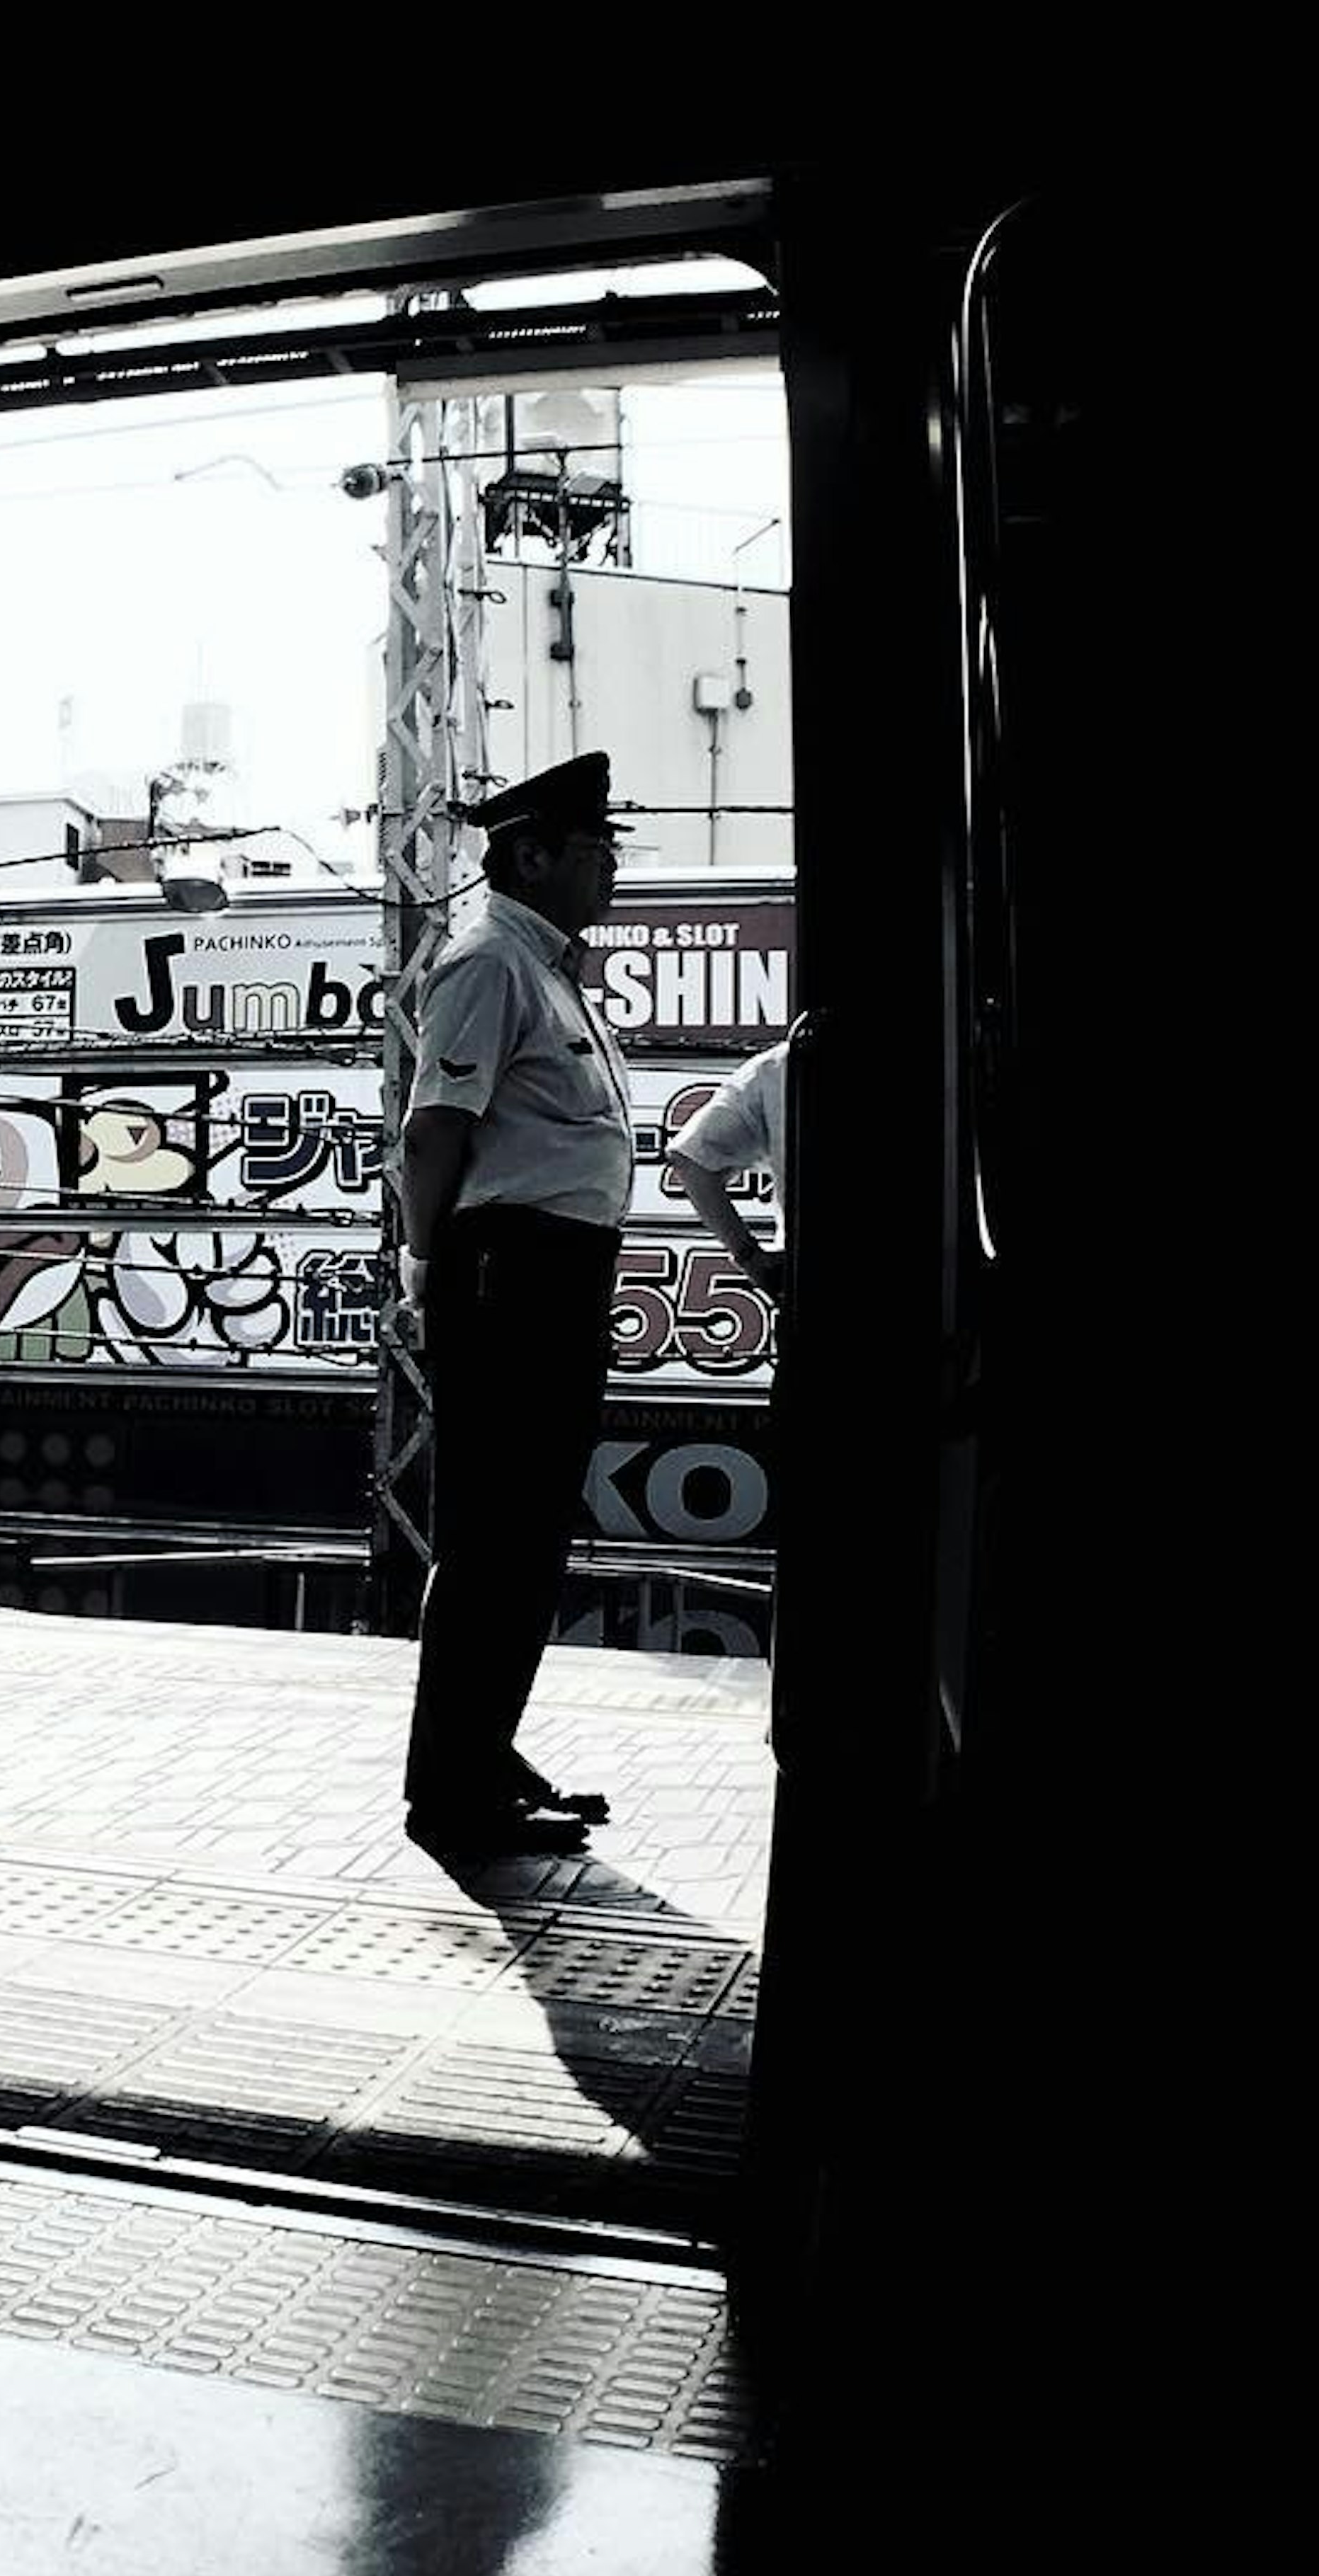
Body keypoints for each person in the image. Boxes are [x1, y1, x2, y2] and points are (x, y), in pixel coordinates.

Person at [395, 751, 636, 1857]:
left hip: (556, 1275)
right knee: (494, 1539)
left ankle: (482, 1752)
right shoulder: (492, 962)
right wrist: (426, 1267)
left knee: (529, 1541)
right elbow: (434, 1127)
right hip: (506, 1276)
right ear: (529, 854)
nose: (613, 870)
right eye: (595, 852)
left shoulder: (550, 971)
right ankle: (453, 1788)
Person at [666, 1038, 789, 1300]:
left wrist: (749, 1256)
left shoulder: (779, 1068)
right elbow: (689, 1159)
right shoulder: (778, 1068)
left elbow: (691, 1158)